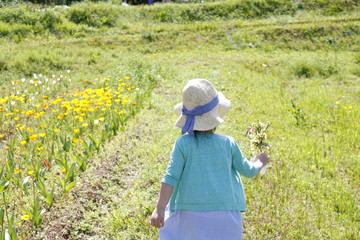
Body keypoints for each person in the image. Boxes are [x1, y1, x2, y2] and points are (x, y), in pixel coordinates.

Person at [150, 78, 270, 240]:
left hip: (187, 214)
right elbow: (248, 171)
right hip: (225, 216)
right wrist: (259, 161)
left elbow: (171, 177)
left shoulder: (183, 144)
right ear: (215, 117)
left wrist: (159, 209)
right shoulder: (228, 143)